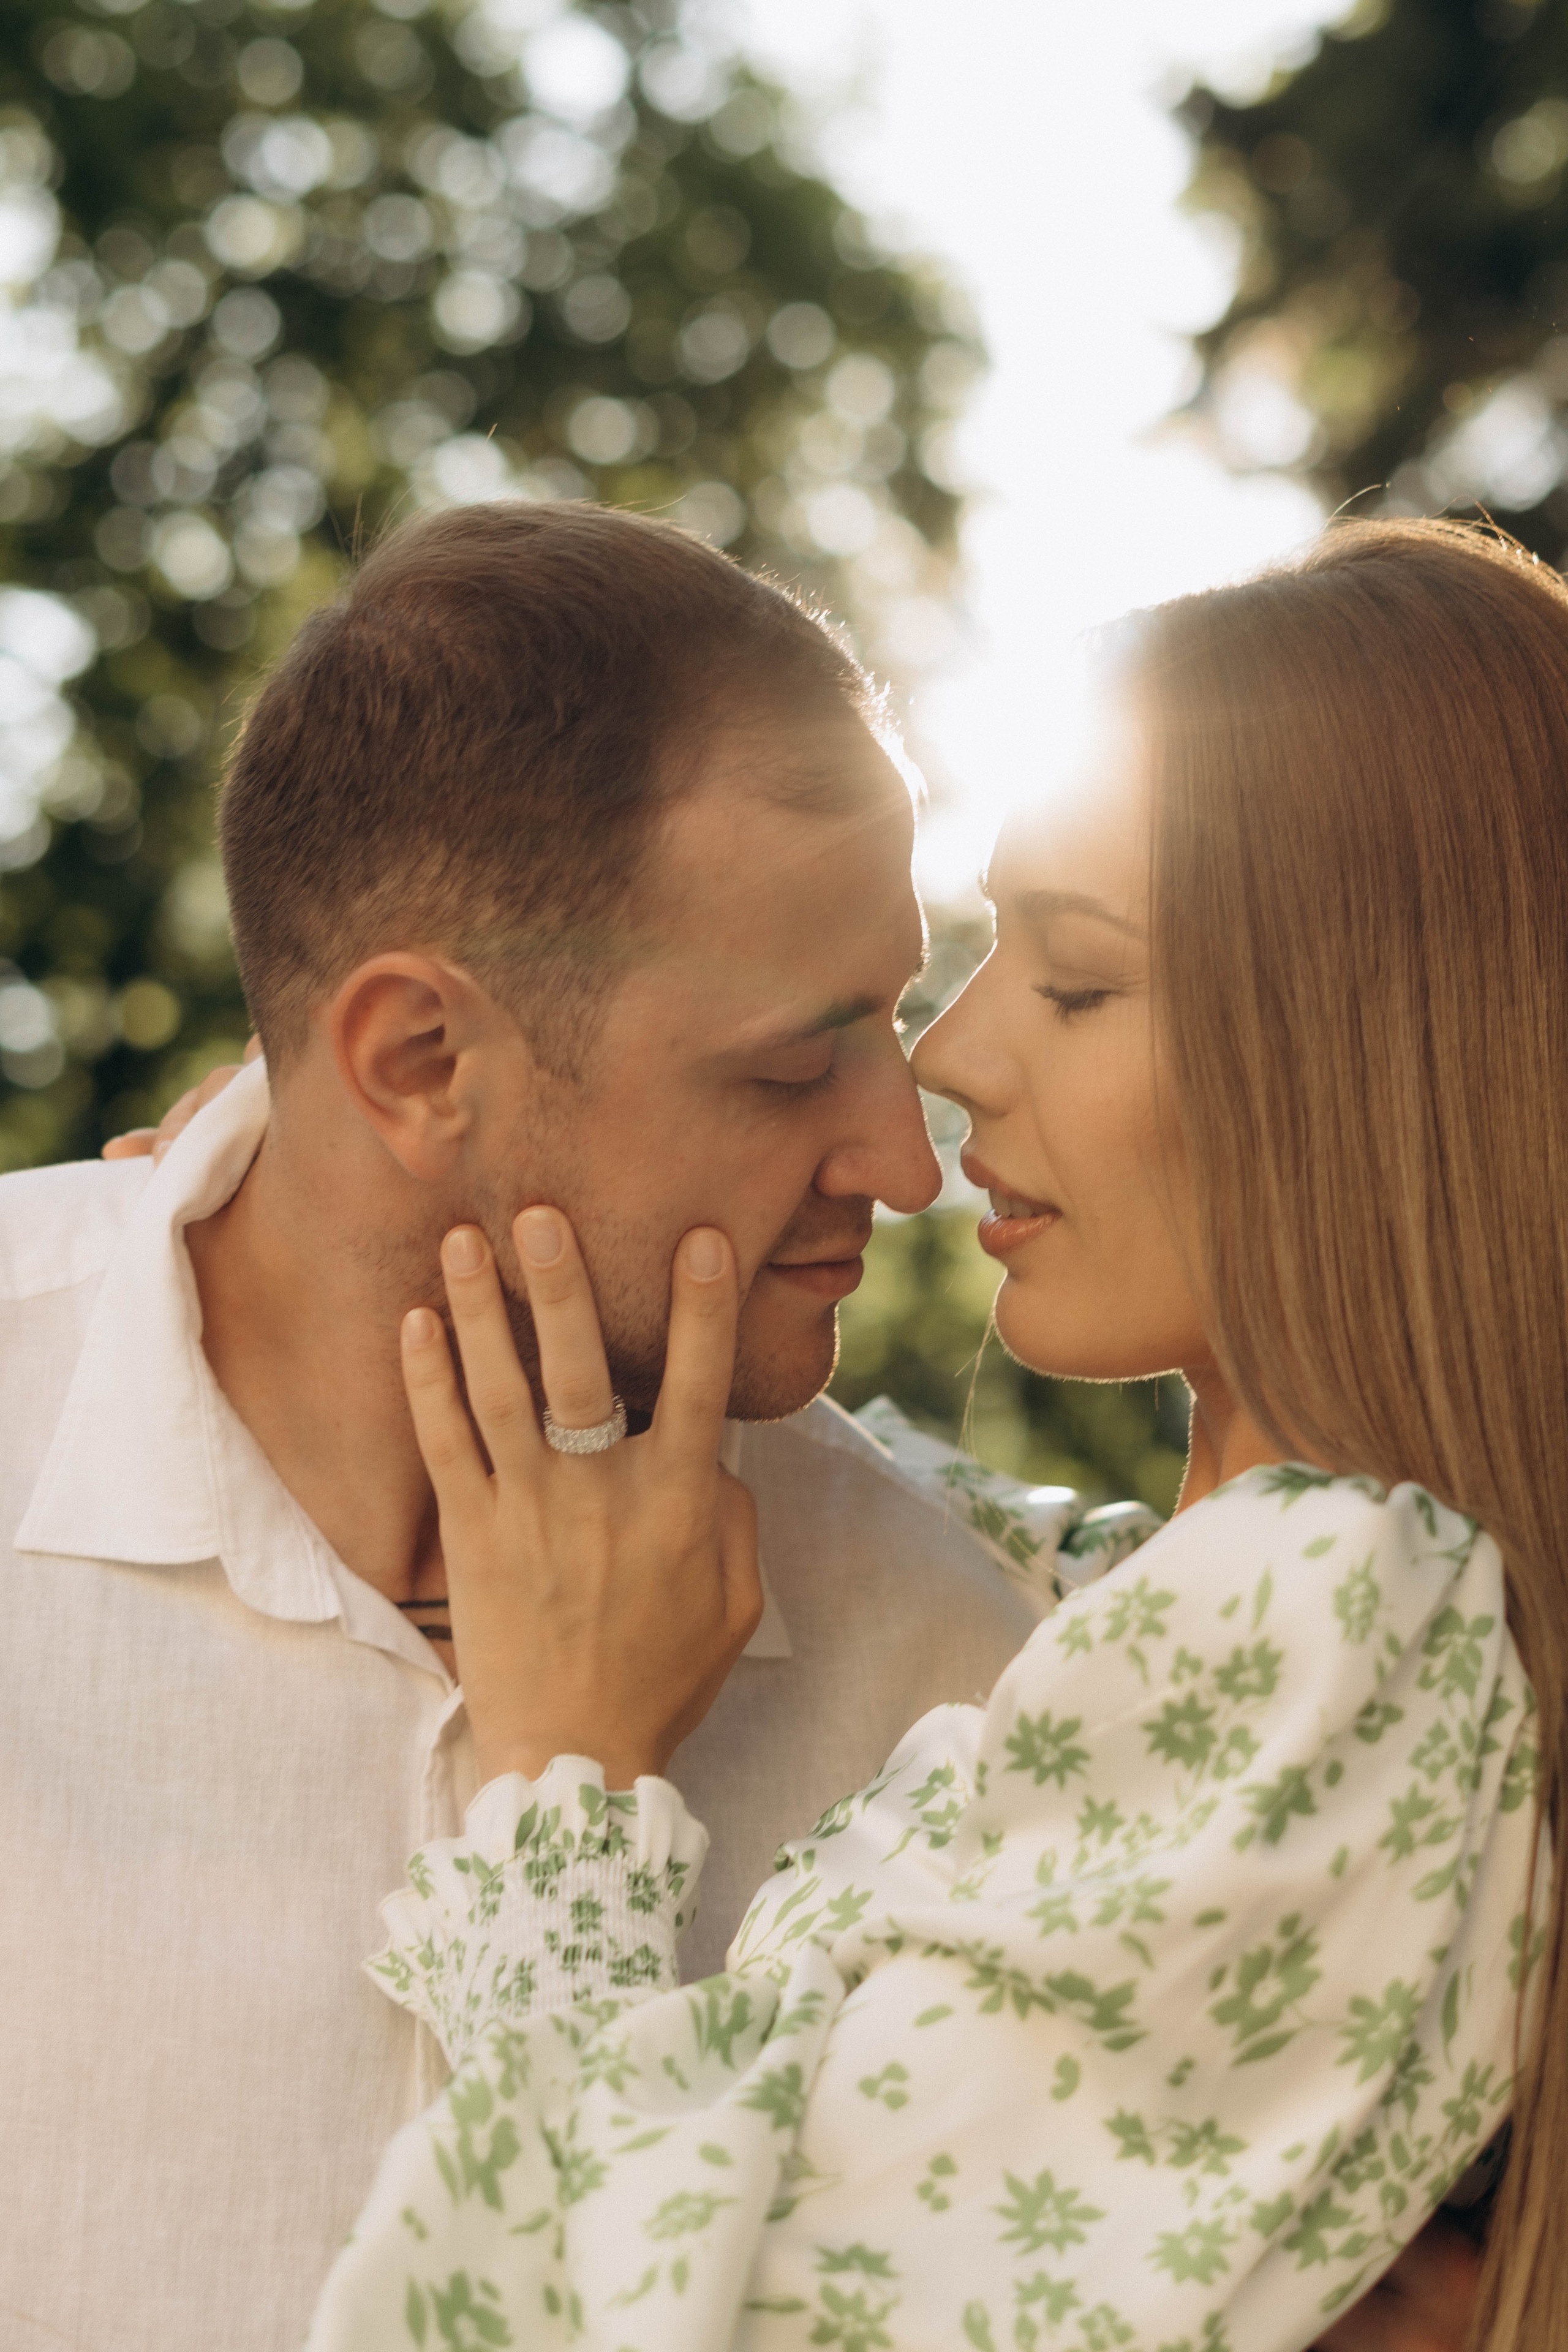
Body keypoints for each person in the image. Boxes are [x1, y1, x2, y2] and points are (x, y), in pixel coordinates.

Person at [301, 520, 1567, 2352]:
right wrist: (365, 1151)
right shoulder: (1242, 1602)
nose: (958, 1059)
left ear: (1376, 1046)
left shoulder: (1323, 1615)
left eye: (1074, 978)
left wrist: (562, 1779)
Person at [0, 503, 1077, 2352]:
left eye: (893, 1020)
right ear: (416, 1062)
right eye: (789, 1061)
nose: (908, 1161)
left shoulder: (959, 1670)